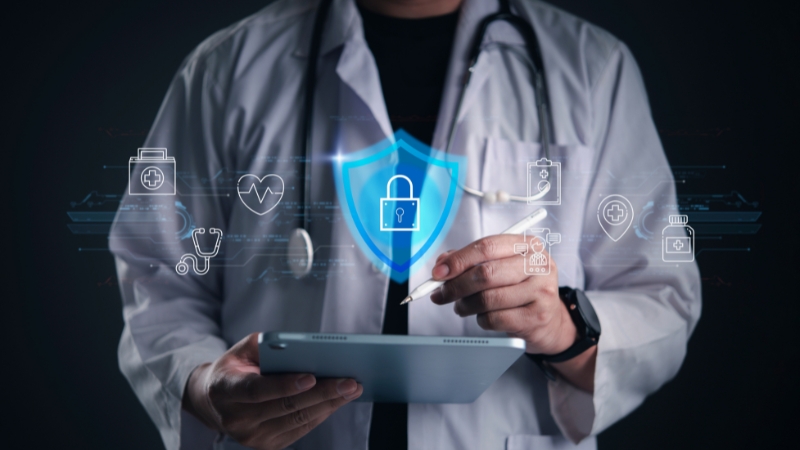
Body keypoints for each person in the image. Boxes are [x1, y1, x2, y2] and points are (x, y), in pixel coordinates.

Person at [109, 0, 701, 449]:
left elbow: (661, 298)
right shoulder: (226, 70)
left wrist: (566, 327)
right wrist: (203, 386)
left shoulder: (591, 68)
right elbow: (159, 278)